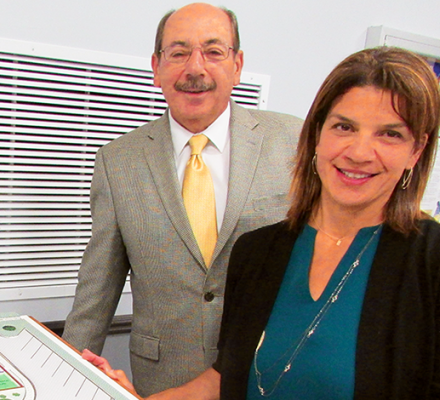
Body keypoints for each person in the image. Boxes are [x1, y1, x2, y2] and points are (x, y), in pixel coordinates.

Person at [87, 46, 440, 399]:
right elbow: (226, 376)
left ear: (416, 151)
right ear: (317, 133)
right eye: (344, 126)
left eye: (390, 134)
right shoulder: (257, 252)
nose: (360, 152)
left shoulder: (429, 260)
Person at [62, 2, 302, 396]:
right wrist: (66, 370)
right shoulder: (118, 160)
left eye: (213, 51)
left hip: (267, 371)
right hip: (164, 377)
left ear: (237, 65)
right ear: (156, 68)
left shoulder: (293, 141)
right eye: (178, 53)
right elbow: (97, 287)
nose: (195, 68)